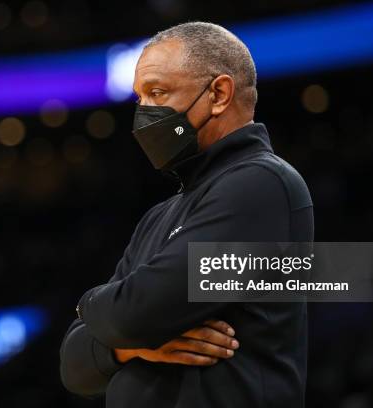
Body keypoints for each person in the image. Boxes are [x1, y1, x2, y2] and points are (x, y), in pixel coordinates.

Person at [60, 21, 314, 408]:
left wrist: (88, 305)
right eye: (139, 97)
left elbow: (135, 314)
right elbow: (74, 367)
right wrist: (129, 350)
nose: (143, 112)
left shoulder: (261, 184)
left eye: (157, 92)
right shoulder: (160, 215)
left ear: (218, 94)